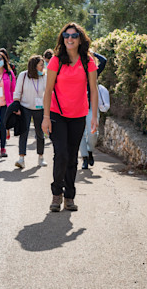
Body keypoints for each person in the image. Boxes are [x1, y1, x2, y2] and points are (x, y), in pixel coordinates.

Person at [42, 22, 98, 212]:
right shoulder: (56, 61)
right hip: (58, 114)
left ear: (80, 39)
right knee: (62, 154)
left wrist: (94, 116)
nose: (70, 39)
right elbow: (48, 90)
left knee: (72, 157)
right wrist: (46, 117)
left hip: (78, 115)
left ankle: (70, 196)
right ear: (62, 38)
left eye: (74, 36)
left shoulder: (88, 61)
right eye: (66, 35)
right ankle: (56, 194)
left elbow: (93, 89)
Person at [13, 54, 48, 169]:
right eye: (41, 65)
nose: (43, 67)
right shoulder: (23, 76)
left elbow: (49, 93)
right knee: (24, 132)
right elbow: (17, 92)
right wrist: (16, 106)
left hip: (40, 108)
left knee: (40, 133)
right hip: (25, 107)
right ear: (34, 66)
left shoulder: (44, 77)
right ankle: (21, 158)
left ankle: (41, 157)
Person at [80, 51, 108, 170]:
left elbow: (104, 60)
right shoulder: (77, 69)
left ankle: (90, 150)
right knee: (80, 134)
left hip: (92, 106)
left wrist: (94, 53)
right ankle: (85, 158)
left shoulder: (94, 71)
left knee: (93, 133)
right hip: (79, 107)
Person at [0, 50, 16, 157]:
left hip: (5, 103)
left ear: (4, 61)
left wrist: (15, 103)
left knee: (3, 126)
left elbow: (13, 88)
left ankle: (3, 148)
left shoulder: (9, 74)